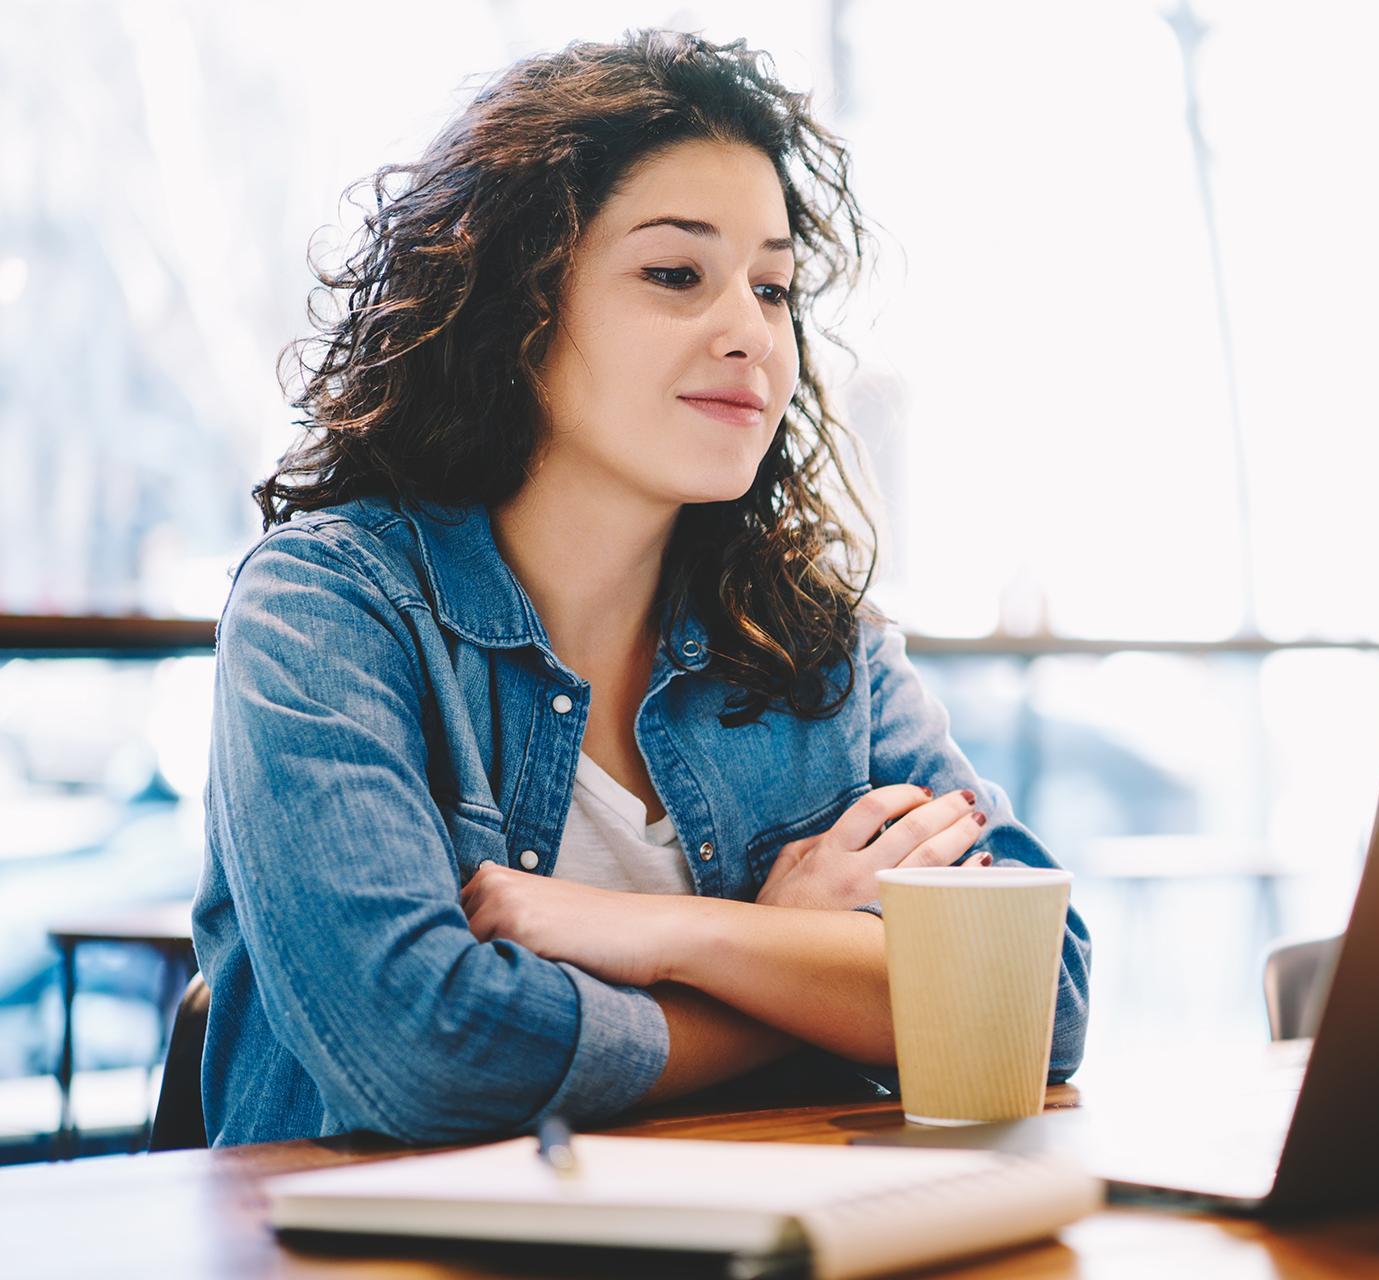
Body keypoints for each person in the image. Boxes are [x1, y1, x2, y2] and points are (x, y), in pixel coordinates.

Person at [194, 29, 1091, 1147]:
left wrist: (669, 932)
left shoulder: (816, 642)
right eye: (677, 274)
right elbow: (424, 1052)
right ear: (513, 309)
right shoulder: (328, 609)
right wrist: (793, 968)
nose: (751, 334)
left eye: (772, 287)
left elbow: (1037, 994)